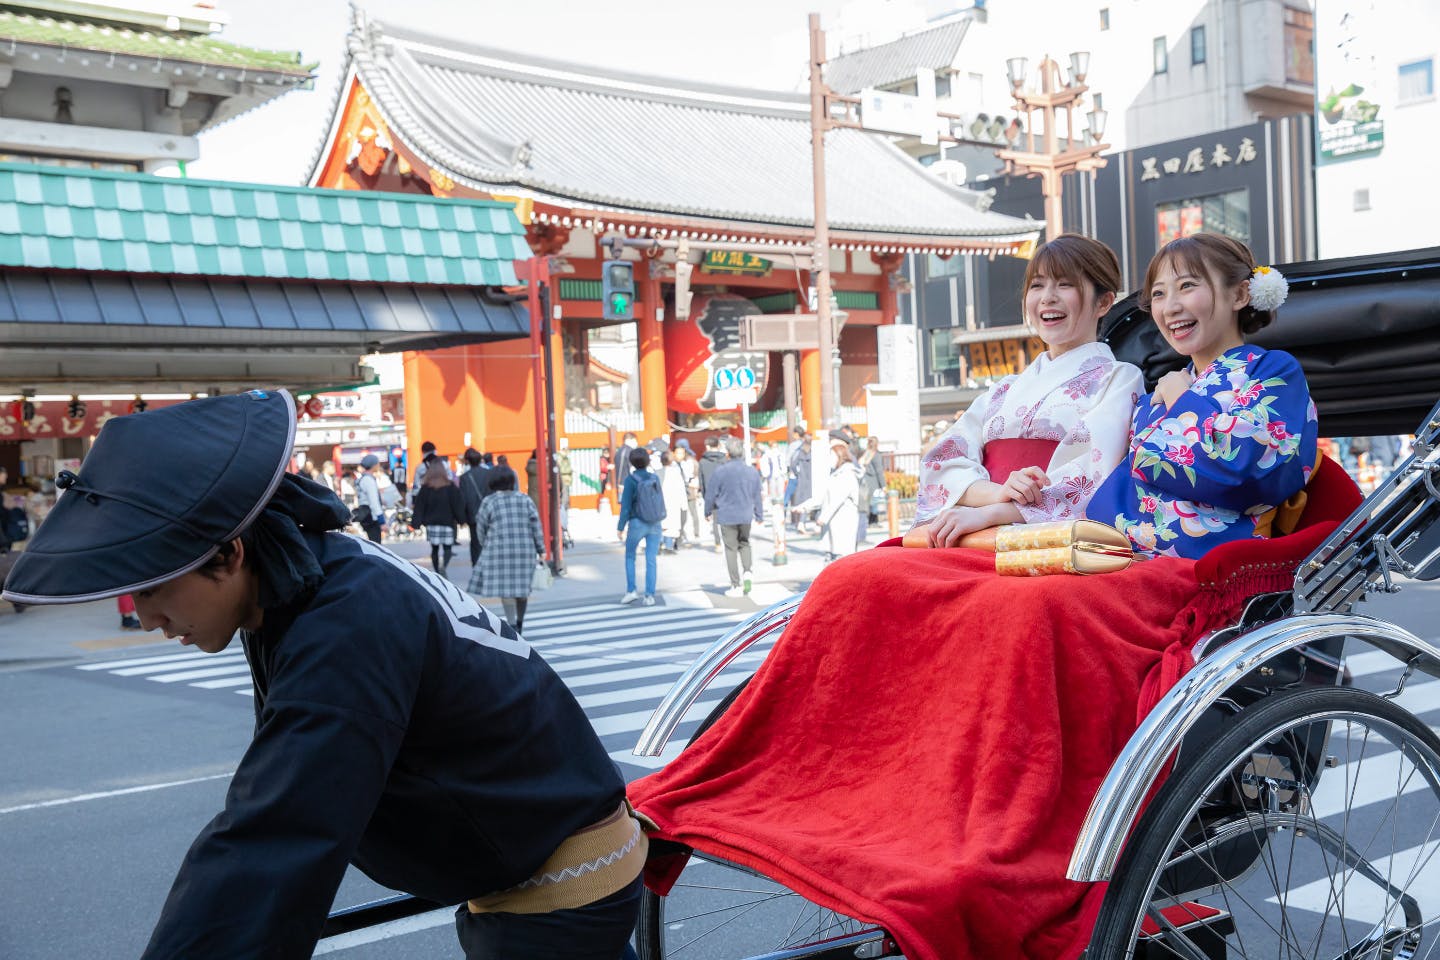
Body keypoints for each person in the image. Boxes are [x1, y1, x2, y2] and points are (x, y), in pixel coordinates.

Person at [0, 390, 643, 960]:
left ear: (227, 554)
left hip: (558, 888)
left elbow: (276, 834)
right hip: (521, 856)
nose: (146, 618)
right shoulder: (305, 571)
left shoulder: (345, 620)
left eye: (155, 590)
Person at [1087, 233, 1316, 558]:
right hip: (1125, 556)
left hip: (1211, 563)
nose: (1170, 307)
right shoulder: (1160, 392)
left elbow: (1249, 474)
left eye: (1187, 286)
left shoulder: (1272, 370)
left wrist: (1182, 400)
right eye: (1159, 294)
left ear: (1238, 294)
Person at [913, 234, 1145, 546]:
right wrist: (997, 493)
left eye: (1065, 284)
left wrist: (993, 513)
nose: (1048, 297)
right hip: (975, 527)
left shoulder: (1119, 378)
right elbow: (942, 462)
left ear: (1103, 301)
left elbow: (1091, 474)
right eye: (1037, 285)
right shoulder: (1004, 389)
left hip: (1043, 538)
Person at [469, 466, 546, 632]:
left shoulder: (489, 501)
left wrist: (485, 544)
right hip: (524, 551)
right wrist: (541, 549)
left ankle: (512, 624)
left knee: (507, 590)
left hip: (499, 550)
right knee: (522, 589)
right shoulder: (525, 500)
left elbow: (480, 527)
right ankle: (520, 621)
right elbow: (536, 527)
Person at [703, 439, 765, 597]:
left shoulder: (720, 471)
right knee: (745, 543)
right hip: (745, 514)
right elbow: (757, 494)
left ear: (728, 453)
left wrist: (707, 511)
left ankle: (735, 584)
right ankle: (748, 571)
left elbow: (710, 494)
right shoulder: (751, 471)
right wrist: (759, 514)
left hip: (727, 514)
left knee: (730, 548)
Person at [616, 446, 663, 606]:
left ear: (631, 463)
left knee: (630, 556)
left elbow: (626, 506)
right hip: (655, 522)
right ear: (648, 461)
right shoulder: (654, 478)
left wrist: (620, 526)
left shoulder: (630, 480)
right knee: (651, 558)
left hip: (637, 522)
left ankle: (631, 591)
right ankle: (649, 595)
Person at [413, 460, 468, 579]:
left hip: (432, 524)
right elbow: (457, 505)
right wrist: (462, 520)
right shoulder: (450, 486)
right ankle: (444, 566)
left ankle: (437, 570)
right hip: (447, 523)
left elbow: (419, 506)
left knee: (434, 548)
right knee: (448, 548)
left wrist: (416, 523)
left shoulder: (426, 488)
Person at [818, 436, 861, 560]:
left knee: (842, 558)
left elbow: (837, 499)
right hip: (834, 523)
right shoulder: (835, 473)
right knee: (833, 557)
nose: (829, 459)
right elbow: (824, 496)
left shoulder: (847, 474)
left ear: (840, 456)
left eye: (832, 455)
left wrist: (823, 518)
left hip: (843, 523)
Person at [697, 437, 727, 550]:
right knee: (725, 518)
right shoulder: (724, 460)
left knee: (715, 520)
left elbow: (702, 481)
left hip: (711, 493)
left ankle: (718, 543)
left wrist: (705, 497)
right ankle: (727, 540)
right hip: (725, 493)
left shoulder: (702, 461)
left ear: (707, 446)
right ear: (718, 445)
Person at [459, 448, 487, 566]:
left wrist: (462, 518)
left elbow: (463, 499)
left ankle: (477, 566)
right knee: (487, 541)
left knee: (475, 542)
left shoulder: (465, 477)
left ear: (468, 461)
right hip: (487, 513)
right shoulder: (488, 474)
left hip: (473, 514)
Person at [855, 436, 886, 544]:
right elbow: (879, 471)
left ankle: (870, 522)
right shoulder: (876, 455)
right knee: (874, 502)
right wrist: (883, 485)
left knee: (866, 504)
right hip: (872, 481)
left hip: (864, 482)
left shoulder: (864, 454)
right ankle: (872, 522)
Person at [659, 450, 687, 553]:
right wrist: (684, 504)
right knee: (672, 526)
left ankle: (660, 543)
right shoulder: (676, 473)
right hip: (673, 502)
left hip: (661, 503)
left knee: (661, 524)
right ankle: (668, 545)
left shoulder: (657, 473)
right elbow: (681, 489)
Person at [674, 441, 702, 543]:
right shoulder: (675, 464)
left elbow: (694, 476)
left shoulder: (690, 462)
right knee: (684, 515)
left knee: (691, 512)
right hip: (685, 491)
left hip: (690, 491)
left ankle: (695, 532)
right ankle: (684, 533)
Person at [354, 453, 385, 543]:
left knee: (373, 543)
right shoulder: (368, 480)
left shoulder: (363, 478)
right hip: (371, 516)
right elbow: (374, 502)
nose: (379, 465)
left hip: (365, 514)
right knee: (376, 544)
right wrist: (381, 521)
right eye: (378, 463)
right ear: (373, 465)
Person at [407, 441, 439, 507]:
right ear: (435, 451)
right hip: (442, 496)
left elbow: (416, 486)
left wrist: (414, 501)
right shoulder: (443, 465)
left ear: (423, 452)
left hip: (427, 499)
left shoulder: (420, 467)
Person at [556, 439, 574, 548]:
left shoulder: (565, 457)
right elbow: (562, 469)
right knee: (563, 504)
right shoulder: (560, 457)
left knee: (565, 505)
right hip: (563, 481)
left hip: (566, 481)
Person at [597, 446, 613, 512]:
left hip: (608, 476)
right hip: (604, 476)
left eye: (607, 452)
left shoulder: (609, 459)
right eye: (605, 453)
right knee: (603, 490)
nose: (607, 454)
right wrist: (607, 467)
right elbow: (602, 468)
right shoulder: (602, 459)